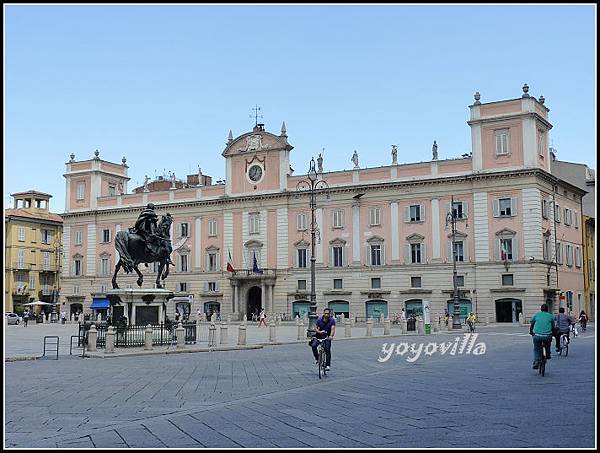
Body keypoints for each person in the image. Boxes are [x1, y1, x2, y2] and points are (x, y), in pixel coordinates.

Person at [529, 303, 554, 369]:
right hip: (547, 336)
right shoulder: (551, 316)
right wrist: (553, 333)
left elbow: (532, 323)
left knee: (536, 348)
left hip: (537, 335)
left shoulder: (537, 315)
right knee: (548, 344)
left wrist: (531, 332)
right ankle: (548, 354)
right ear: (547, 309)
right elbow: (553, 326)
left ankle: (536, 361)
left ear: (541, 309)